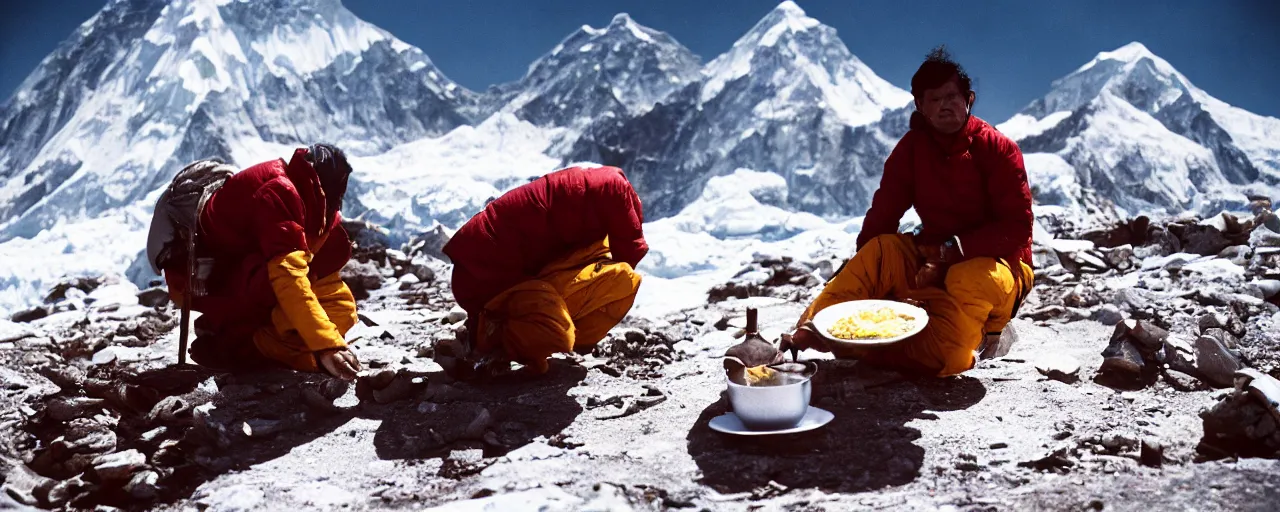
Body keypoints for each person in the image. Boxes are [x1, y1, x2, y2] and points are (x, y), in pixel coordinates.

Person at [781, 46, 1035, 377]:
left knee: (964, 285)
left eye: (952, 96)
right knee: (882, 249)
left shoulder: (998, 149)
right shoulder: (911, 150)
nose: (945, 104)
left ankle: (982, 333)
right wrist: (864, 268)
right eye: (934, 98)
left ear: (969, 99)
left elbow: (1016, 229)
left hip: (999, 267)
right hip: (933, 257)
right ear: (920, 106)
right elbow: (884, 213)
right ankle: (814, 331)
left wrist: (950, 252)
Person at [153, 144, 363, 380]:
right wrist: (328, 345)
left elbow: (315, 273)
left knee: (342, 309)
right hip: (213, 281)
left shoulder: (317, 205)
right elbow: (287, 276)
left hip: (247, 276)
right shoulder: (279, 191)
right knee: (272, 284)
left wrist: (327, 338)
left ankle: (255, 341)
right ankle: (233, 342)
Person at [438, 165, 648, 379]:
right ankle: (496, 341)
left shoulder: (599, 187)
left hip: (480, 266)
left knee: (604, 265)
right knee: (619, 283)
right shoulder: (613, 192)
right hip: (484, 273)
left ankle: (493, 335)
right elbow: (630, 250)